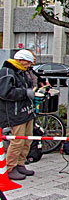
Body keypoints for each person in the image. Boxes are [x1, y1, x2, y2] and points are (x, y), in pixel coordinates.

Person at [0, 50, 36, 180]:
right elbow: (5, 92)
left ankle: (21, 163)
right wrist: (25, 93)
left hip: (25, 111)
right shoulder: (7, 72)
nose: (29, 65)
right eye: (28, 62)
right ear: (20, 60)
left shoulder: (21, 72)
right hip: (14, 113)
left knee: (27, 140)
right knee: (17, 141)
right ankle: (10, 167)